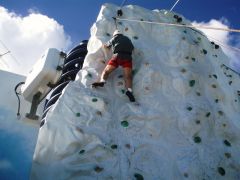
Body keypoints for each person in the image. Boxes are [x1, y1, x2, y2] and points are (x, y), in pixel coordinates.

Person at [92, 30, 135, 102]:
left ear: (115, 35)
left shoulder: (114, 38)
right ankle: (129, 91)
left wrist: (106, 46)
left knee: (106, 71)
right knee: (128, 76)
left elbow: (107, 45)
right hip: (128, 57)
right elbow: (132, 47)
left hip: (117, 56)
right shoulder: (128, 39)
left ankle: (102, 81)